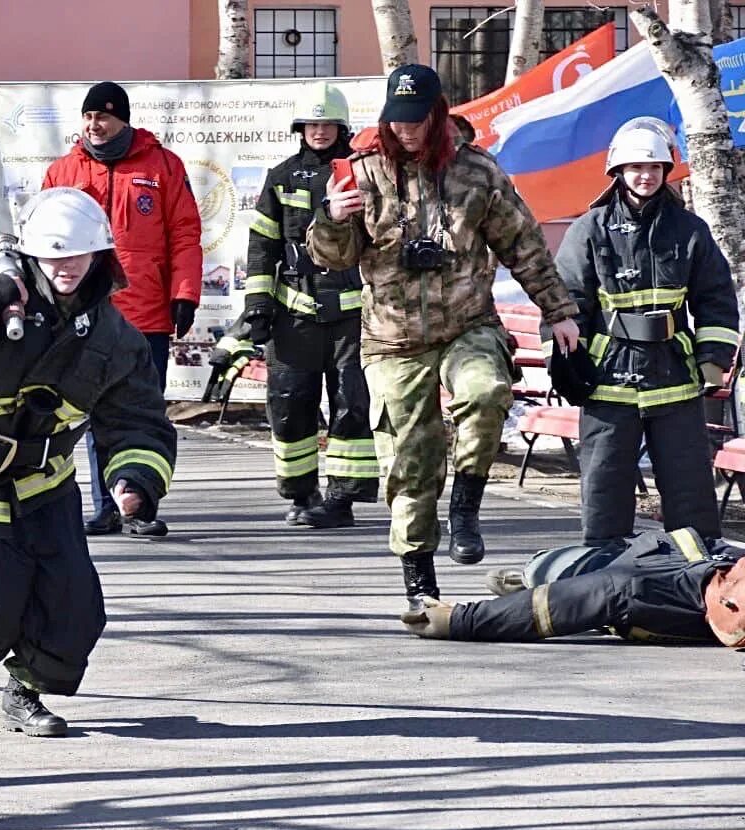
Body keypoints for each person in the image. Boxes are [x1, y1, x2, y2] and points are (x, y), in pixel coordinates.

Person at [0, 187, 177, 736]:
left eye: (77, 253)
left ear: (101, 255)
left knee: (75, 612)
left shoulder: (115, 338)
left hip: (48, 486)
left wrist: (134, 479)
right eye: (52, 254)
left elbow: (137, 419)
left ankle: (25, 693)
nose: (65, 266)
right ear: (33, 254)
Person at [308, 64, 581, 613]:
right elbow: (328, 258)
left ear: (437, 114)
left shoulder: (476, 171)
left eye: (416, 121)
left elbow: (523, 244)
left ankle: (467, 503)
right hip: (391, 339)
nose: (406, 131)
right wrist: (333, 217)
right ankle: (419, 579)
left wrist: (559, 311)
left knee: (485, 392)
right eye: (398, 121)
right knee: (409, 463)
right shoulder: (362, 174)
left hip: (467, 323)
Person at [553, 118, 738, 548]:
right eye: (636, 167)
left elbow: (716, 299)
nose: (645, 175)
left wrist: (712, 362)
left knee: (690, 489)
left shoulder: (690, 230)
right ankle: (602, 574)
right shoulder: (590, 229)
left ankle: (697, 576)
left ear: (665, 172)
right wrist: (564, 361)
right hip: (608, 378)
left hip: (674, 377)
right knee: (605, 488)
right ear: (617, 171)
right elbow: (566, 300)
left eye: (654, 167)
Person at [42, 81, 202, 538]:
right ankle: (105, 504)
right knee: (89, 411)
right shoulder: (61, 171)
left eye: (105, 117)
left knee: (140, 411)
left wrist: (185, 293)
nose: (95, 125)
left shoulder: (164, 166)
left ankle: (141, 503)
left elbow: (185, 233)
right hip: (82, 315)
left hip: (143, 313)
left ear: (123, 121)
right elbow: (45, 243)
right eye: (89, 117)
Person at [242, 82, 378, 527]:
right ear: (299, 127)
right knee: (289, 402)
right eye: (311, 123)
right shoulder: (281, 176)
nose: (319, 131)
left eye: (328, 123)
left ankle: (341, 499)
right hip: (293, 310)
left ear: (342, 127)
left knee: (351, 402)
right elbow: (263, 244)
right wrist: (259, 304)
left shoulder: (362, 172)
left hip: (353, 313)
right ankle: (301, 494)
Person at [401, 527, 745, 647]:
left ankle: (534, 579)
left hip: (668, 573)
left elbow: (582, 599)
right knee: (550, 566)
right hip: (689, 554)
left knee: (565, 578)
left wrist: (463, 620)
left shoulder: (638, 588)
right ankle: (533, 577)